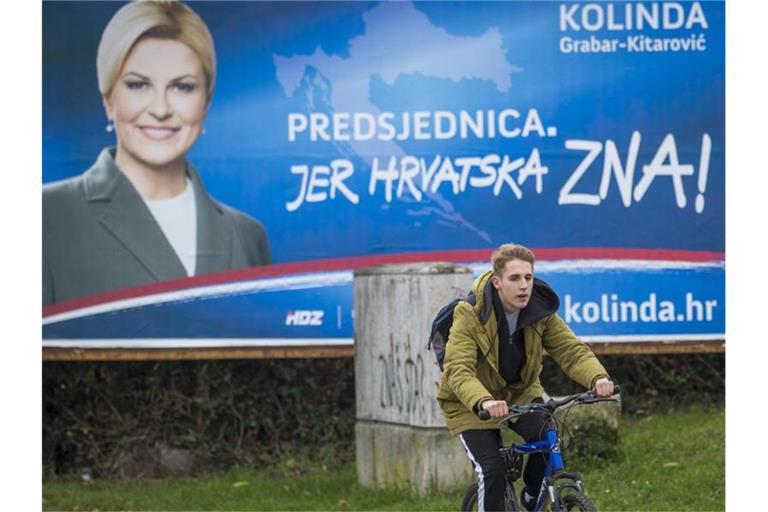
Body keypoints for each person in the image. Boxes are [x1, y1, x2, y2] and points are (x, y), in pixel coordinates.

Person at [43, 0, 271, 306]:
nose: (160, 109)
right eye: (138, 85)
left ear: (206, 101)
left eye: (182, 88)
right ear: (108, 98)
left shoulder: (247, 236)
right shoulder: (44, 216)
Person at [436, 243, 614, 511]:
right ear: (497, 281)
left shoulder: (539, 311)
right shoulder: (470, 313)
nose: (524, 286)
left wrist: (597, 378)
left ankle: (533, 497)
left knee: (549, 441)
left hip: (520, 395)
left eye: (528, 278)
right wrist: (483, 401)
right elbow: (458, 369)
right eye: (515, 278)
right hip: (471, 403)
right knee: (492, 470)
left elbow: (570, 350)